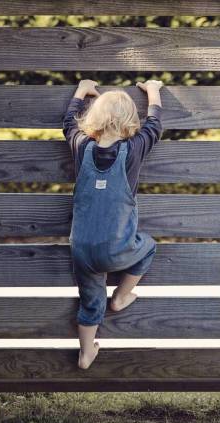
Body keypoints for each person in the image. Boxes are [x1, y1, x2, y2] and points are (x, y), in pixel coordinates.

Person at [62, 79, 164, 369]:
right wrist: (153, 91)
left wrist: (81, 90)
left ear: (94, 118)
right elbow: (154, 126)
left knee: (90, 303)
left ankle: (85, 354)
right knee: (148, 246)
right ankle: (120, 297)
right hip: (118, 248)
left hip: (81, 250)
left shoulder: (81, 147)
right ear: (129, 121)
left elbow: (68, 123)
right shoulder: (131, 151)